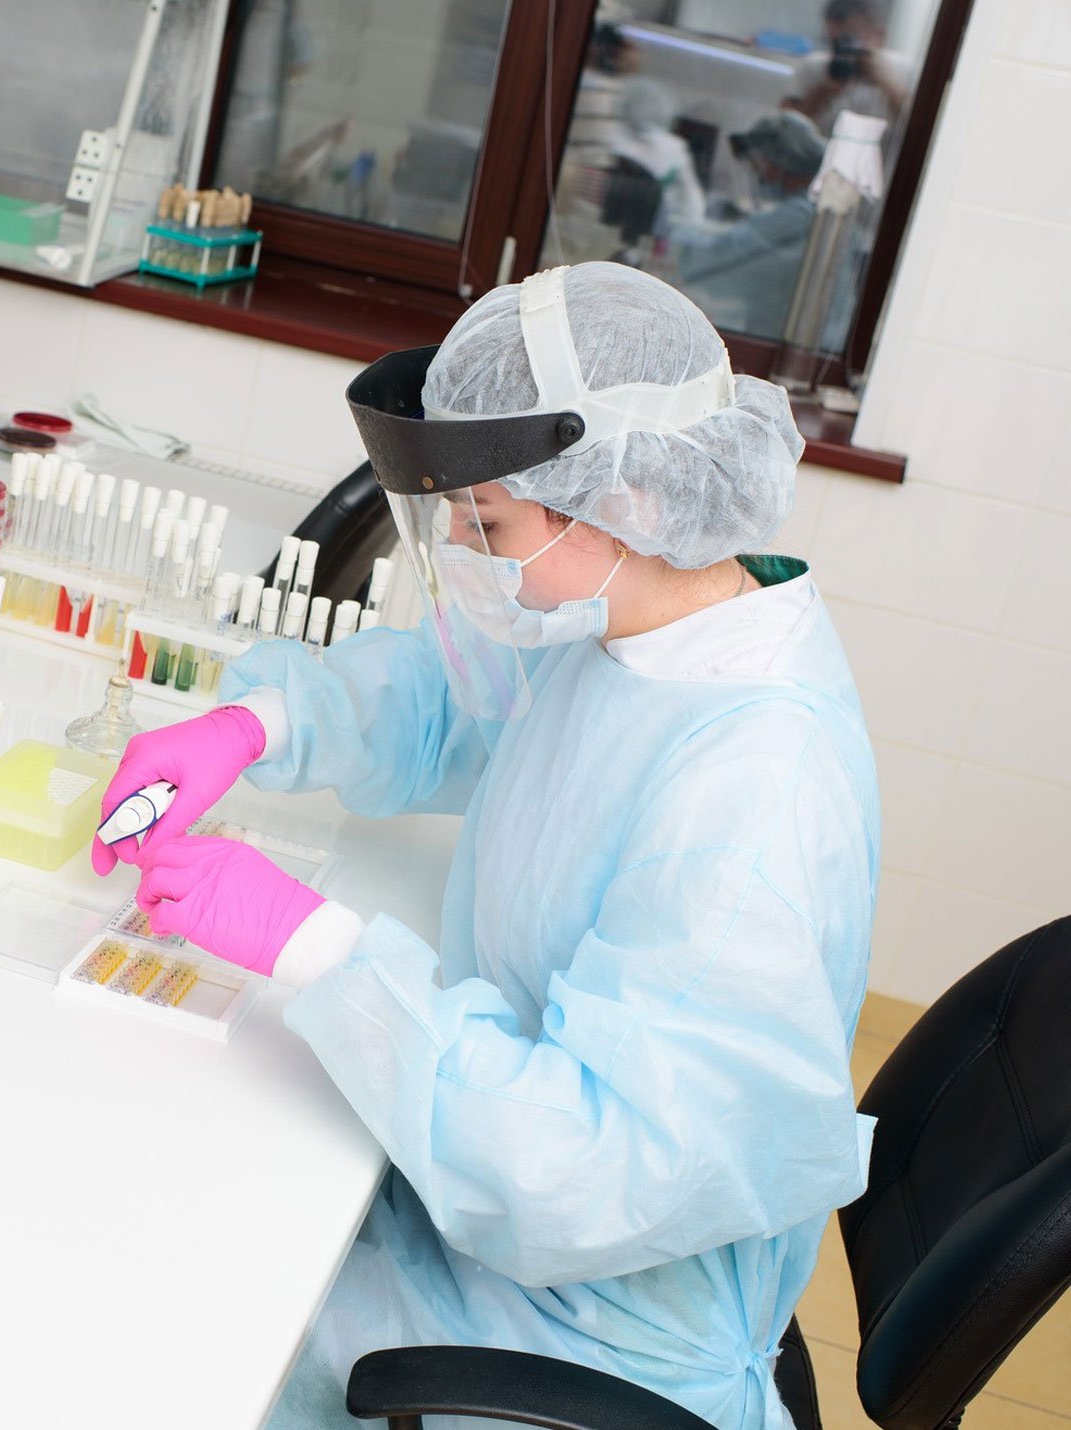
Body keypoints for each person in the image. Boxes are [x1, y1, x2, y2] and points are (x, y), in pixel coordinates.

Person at [93, 262, 880, 1430]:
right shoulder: (638, 620)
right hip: (474, 1207)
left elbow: (582, 1170)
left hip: (583, 1321)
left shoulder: (753, 790)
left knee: (171, 1338)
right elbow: (457, 697)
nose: (460, 550)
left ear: (639, 501)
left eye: (486, 521)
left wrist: (309, 945)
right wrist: (261, 721)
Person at [674, 110, 827, 342]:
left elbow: (723, 255)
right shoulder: (810, 209)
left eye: (758, 164)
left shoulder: (800, 216)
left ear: (779, 164)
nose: (757, 174)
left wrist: (675, 232)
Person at [787, 0, 911, 137]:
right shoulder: (813, 67)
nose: (844, 49)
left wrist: (889, 85)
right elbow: (784, 124)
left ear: (879, 36)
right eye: (835, 42)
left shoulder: (904, 71)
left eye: (852, 40)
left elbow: (921, 125)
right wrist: (822, 92)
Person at [608, 77, 706, 228]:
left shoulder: (612, 136)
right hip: (651, 225)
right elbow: (692, 198)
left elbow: (692, 196)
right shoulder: (674, 148)